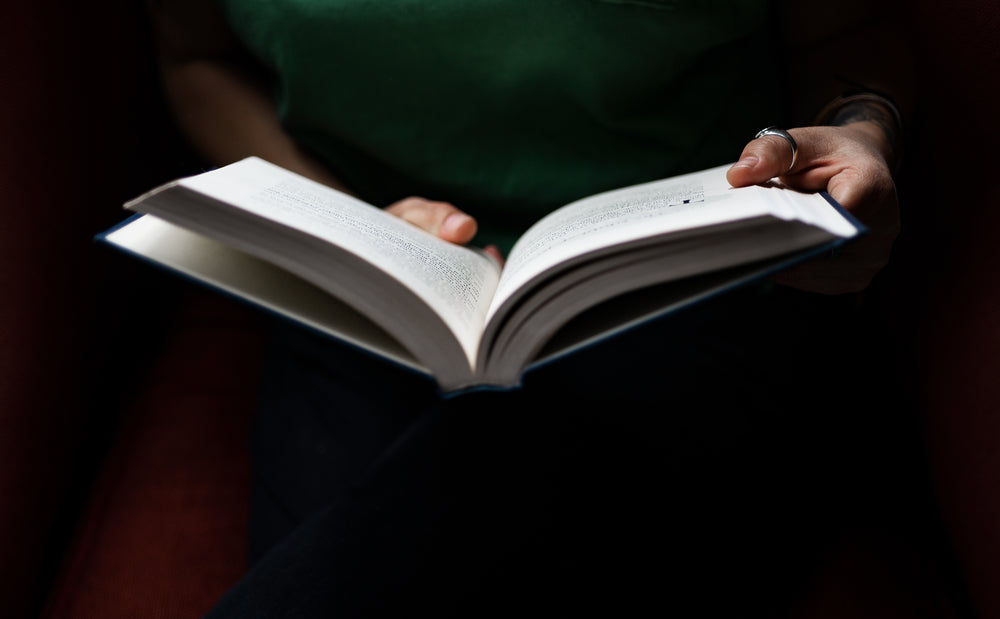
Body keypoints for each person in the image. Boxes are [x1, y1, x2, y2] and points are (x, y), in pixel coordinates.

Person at [147, 0, 914, 615]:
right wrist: (353, 221)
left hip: (687, 287)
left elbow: (854, 36)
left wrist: (863, 131)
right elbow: (198, 60)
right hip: (369, 292)